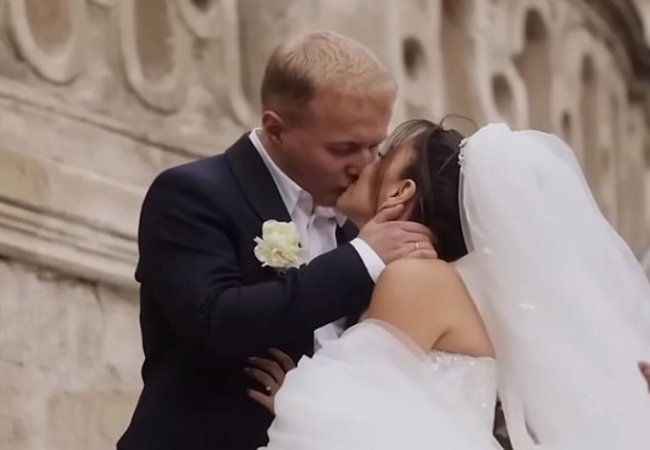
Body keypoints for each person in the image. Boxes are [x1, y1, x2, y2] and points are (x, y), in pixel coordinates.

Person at [116, 31, 437, 450]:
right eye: (342, 148)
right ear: (275, 128)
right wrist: (360, 260)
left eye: (374, 146)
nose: (363, 166)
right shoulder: (193, 194)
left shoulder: (362, 223)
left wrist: (311, 405)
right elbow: (214, 323)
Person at [257, 120, 650, 450]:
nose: (366, 163)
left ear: (401, 191)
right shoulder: (461, 283)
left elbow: (362, 419)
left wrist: (296, 398)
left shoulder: (416, 279)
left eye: (383, 158)